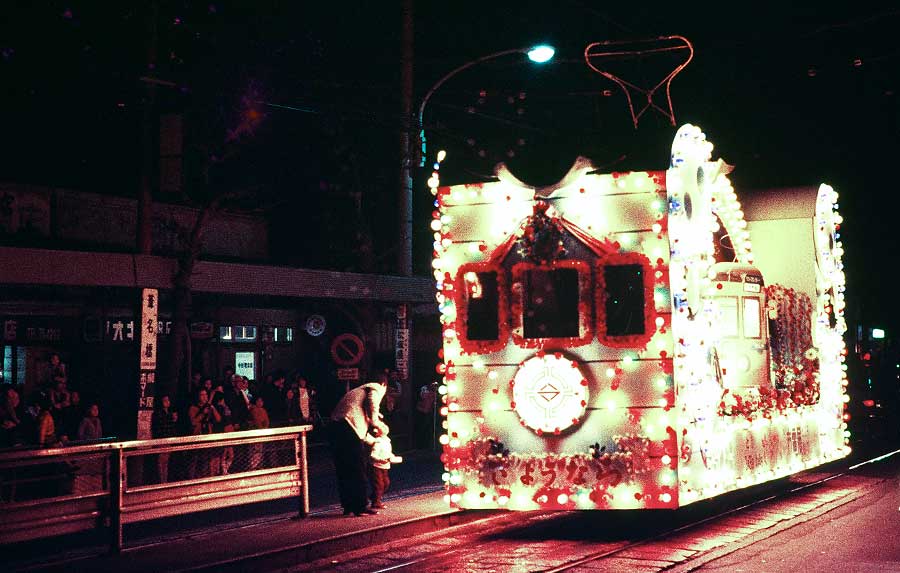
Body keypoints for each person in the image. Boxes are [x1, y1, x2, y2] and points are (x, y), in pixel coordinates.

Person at [329, 371, 389, 517]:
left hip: (336, 426)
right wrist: (378, 423)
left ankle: (348, 505)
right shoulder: (375, 387)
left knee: (344, 468)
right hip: (349, 427)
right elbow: (372, 405)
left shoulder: (356, 391)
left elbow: (362, 418)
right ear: (384, 384)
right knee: (357, 466)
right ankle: (360, 506)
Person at [366, 421, 402, 510]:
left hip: (385, 466)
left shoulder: (387, 441)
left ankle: (374, 496)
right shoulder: (378, 442)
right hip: (376, 467)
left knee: (386, 483)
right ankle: (376, 503)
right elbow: (373, 455)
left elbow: (388, 452)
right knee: (379, 485)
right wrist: (380, 460)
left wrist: (392, 457)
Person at [152, 395, 179, 483]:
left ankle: (165, 480)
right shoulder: (158, 413)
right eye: (165, 400)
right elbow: (160, 426)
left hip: (168, 439)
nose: (167, 402)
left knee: (166, 462)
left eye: (168, 400)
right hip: (161, 440)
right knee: (161, 462)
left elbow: (172, 427)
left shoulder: (170, 413)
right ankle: (161, 481)